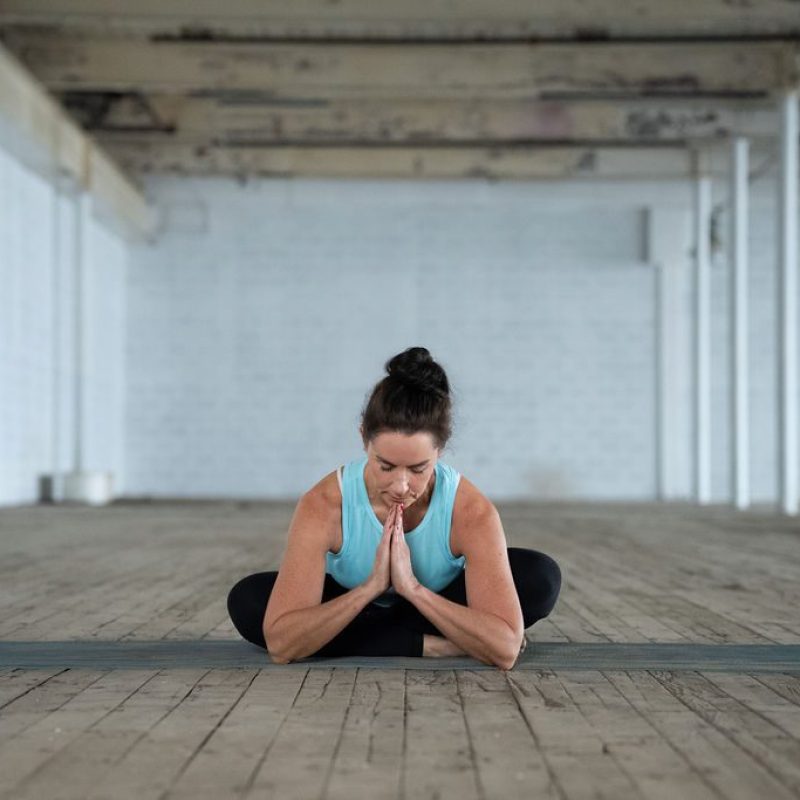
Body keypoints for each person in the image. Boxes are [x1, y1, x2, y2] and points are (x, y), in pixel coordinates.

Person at [227, 347, 561, 670]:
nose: (401, 486)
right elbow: (281, 645)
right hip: (355, 610)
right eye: (385, 466)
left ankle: (391, 638)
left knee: (539, 577)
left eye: (418, 469)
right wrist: (370, 587)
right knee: (250, 601)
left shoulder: (470, 510)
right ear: (364, 439)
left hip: (431, 606)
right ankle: (430, 644)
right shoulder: (324, 504)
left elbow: (505, 651)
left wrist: (412, 589)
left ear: (440, 451)